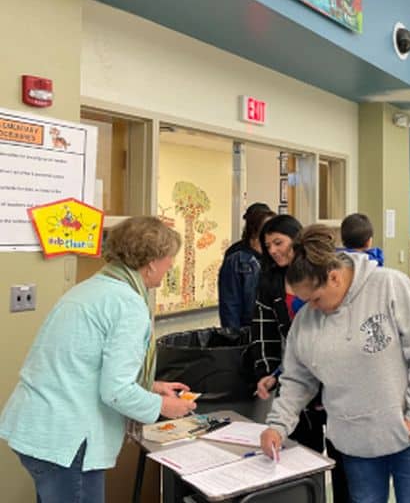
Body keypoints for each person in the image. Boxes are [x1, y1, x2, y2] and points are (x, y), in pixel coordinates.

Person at [0, 216, 197, 503]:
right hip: (68, 441)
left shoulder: (91, 289)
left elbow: (83, 363)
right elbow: (115, 391)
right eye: (169, 259)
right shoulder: (128, 304)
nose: (171, 266)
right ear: (152, 261)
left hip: (38, 429)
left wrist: (150, 387)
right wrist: (164, 406)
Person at [259, 225, 410, 503]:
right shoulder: (307, 319)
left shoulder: (389, 285)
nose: (313, 307)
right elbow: (297, 380)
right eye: (305, 301)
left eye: (316, 299)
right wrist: (277, 425)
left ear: (333, 277)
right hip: (354, 439)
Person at [249, 214, 349, 503]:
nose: (274, 251)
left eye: (278, 242)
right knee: (304, 454)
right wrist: (268, 371)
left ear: (297, 239)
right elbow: (263, 329)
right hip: (298, 377)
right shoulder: (270, 282)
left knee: (343, 454)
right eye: (268, 246)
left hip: (336, 381)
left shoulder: (327, 273)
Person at [217, 202, 275, 329]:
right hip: (247, 326)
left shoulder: (275, 252)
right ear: (255, 228)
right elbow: (230, 303)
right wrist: (234, 336)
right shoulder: (236, 257)